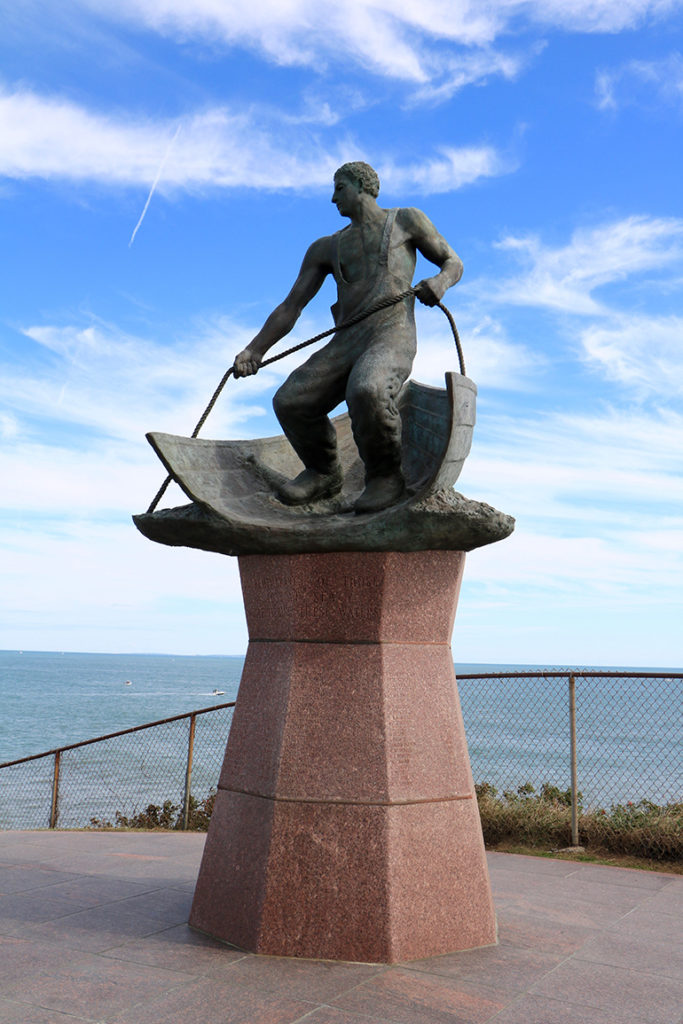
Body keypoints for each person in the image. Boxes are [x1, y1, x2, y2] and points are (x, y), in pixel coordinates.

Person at [233, 161, 463, 514]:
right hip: (347, 340)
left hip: (391, 334)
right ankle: (323, 473)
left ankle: (385, 477)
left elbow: (452, 262)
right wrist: (255, 350)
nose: (332, 198)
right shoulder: (325, 249)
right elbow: (290, 307)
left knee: (368, 389)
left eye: (339, 187)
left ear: (361, 185)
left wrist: (440, 283)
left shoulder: (406, 220)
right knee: (291, 401)